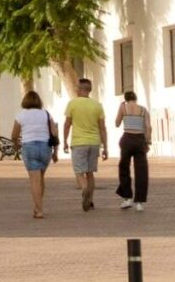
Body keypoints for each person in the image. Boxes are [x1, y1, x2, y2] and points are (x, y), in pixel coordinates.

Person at [63, 77, 107, 212]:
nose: (76, 90)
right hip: (94, 142)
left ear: (81, 90)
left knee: (78, 171)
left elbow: (67, 124)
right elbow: (102, 128)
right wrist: (105, 146)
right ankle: (91, 200)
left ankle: (84, 189)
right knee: (90, 173)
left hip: (79, 142)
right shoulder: (97, 105)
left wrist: (64, 140)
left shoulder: (72, 104)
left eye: (77, 88)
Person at [15, 90, 55, 219]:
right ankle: (37, 206)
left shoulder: (21, 115)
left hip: (29, 146)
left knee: (34, 180)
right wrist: (56, 152)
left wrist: (16, 144)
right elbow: (54, 133)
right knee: (40, 178)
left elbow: (14, 134)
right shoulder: (46, 114)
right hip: (45, 147)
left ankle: (39, 209)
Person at [112, 89, 152, 212]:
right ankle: (139, 202)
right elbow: (148, 127)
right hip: (140, 140)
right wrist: (148, 141)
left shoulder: (123, 107)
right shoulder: (143, 110)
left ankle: (127, 197)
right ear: (135, 98)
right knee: (141, 170)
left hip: (127, 139)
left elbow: (117, 123)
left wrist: (122, 112)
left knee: (124, 168)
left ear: (125, 99)